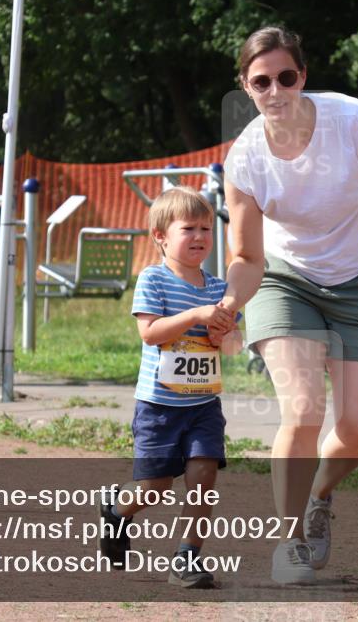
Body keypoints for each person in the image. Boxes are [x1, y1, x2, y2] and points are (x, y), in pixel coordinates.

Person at [215, 26, 358, 585]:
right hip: (286, 281)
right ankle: (289, 540)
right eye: (261, 81)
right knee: (303, 411)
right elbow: (247, 255)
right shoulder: (245, 159)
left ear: (303, 76)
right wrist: (229, 301)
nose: (276, 90)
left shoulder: (352, 121)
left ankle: (319, 495)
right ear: (247, 87)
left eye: (286, 77)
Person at [100, 186, 240, 589]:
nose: (199, 237)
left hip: (203, 405)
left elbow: (231, 345)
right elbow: (150, 333)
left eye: (206, 229)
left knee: (203, 474)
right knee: (157, 487)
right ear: (160, 236)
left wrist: (224, 335)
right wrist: (196, 314)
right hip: (159, 407)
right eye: (188, 229)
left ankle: (187, 557)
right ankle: (116, 510)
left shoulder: (218, 290)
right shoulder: (153, 280)